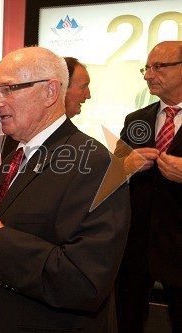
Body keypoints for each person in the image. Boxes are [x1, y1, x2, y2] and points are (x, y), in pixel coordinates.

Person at [0, 46, 131, 332]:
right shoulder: (16, 155)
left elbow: (85, 281)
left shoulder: (95, 163)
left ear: (50, 92)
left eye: (8, 89)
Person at [114, 40, 182, 332]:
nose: (147, 75)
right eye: (147, 67)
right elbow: (112, 175)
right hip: (135, 251)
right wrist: (126, 166)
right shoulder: (135, 120)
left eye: (159, 67)